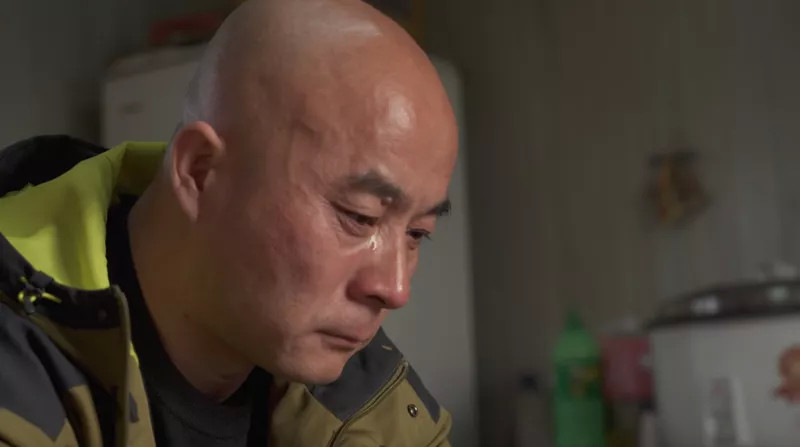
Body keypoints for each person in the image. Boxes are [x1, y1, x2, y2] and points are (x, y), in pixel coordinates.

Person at [0, 0, 458, 445]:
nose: (395, 289)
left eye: (417, 233)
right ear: (200, 172)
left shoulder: (359, 395)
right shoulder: (20, 368)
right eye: (360, 216)